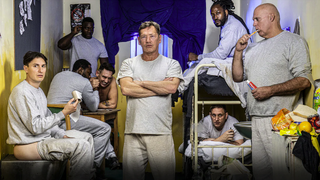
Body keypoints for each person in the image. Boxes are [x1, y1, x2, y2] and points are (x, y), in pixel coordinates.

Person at [232, 3, 313, 180]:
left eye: (257, 19)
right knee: (262, 174)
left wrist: (270, 90)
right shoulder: (253, 48)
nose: (254, 24)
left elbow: (304, 80)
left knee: (283, 174)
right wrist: (238, 52)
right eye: (253, 20)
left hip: (280, 121)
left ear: (272, 17)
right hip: (256, 120)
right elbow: (237, 76)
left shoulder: (293, 41)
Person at [6, 51, 95, 180]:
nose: (40, 70)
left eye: (43, 66)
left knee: (87, 137)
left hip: (44, 139)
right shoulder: (22, 92)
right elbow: (35, 127)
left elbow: (47, 119)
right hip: (28, 145)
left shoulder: (39, 90)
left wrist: (61, 134)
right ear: (26, 68)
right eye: (35, 66)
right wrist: (63, 112)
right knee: (82, 146)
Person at [117, 21, 184, 180]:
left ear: (159, 39)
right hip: (133, 132)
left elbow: (171, 89)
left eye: (152, 36)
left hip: (160, 132)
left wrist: (140, 82)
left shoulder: (171, 64)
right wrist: (160, 86)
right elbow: (126, 89)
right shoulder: (129, 64)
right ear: (139, 40)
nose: (148, 40)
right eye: (144, 37)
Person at [47, 59, 120, 173]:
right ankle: (92, 167)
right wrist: (94, 88)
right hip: (65, 122)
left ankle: (107, 157)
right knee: (104, 129)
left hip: (51, 122)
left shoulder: (58, 75)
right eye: (88, 72)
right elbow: (94, 107)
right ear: (80, 70)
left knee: (92, 127)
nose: (89, 76)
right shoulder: (84, 82)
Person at [181, 0, 250, 92]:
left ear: (225, 12)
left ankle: (179, 87)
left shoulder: (231, 28)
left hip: (239, 63)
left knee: (203, 61)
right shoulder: (228, 22)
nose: (215, 17)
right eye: (213, 15)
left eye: (218, 13)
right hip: (231, 60)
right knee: (195, 65)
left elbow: (220, 55)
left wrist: (197, 56)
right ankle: (181, 85)